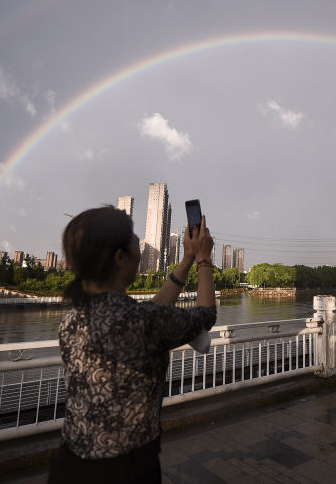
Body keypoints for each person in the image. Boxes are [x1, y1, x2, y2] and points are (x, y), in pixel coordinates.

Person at [47, 205, 217, 484]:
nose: (140, 248)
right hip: (126, 470)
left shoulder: (72, 320)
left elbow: (148, 313)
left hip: (68, 466)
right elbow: (206, 316)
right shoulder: (143, 322)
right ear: (120, 257)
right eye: (136, 242)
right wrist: (204, 260)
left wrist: (186, 260)